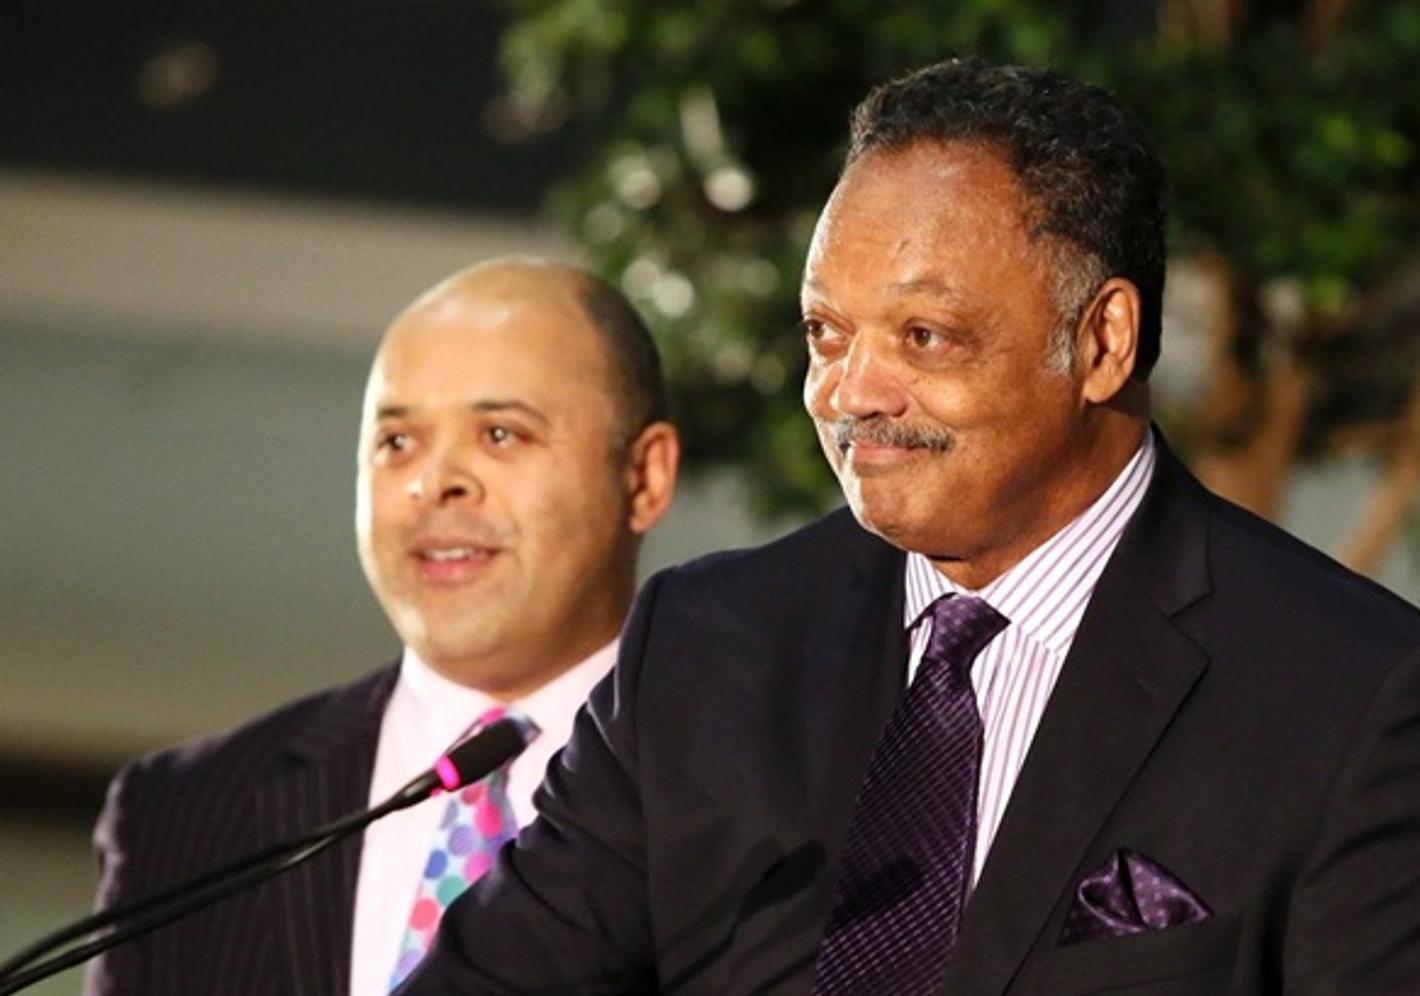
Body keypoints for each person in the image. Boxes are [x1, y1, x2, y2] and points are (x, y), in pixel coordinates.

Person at [401, 59, 1420, 996]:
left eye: (924, 337)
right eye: (825, 333)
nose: (851, 393)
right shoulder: (703, 651)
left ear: (1103, 342)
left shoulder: (1351, 697)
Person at [83, 258, 681, 996]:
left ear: (645, 475)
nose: (435, 482)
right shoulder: (183, 818)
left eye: (500, 434)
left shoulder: (741, 790)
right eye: (398, 443)